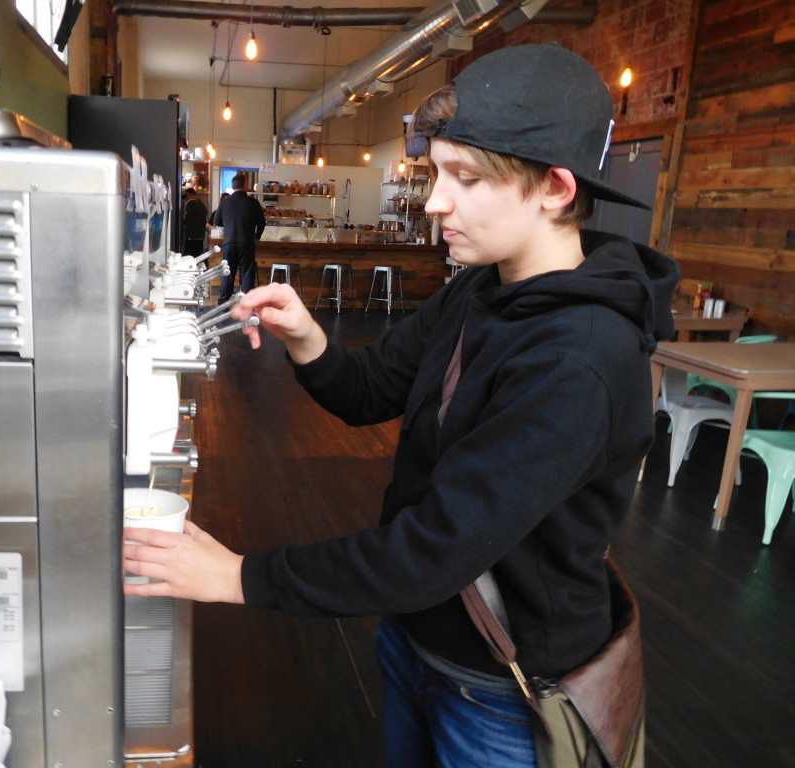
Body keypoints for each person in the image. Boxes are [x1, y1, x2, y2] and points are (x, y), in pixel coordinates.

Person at [124, 43, 679, 768]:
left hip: (502, 691)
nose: (434, 201)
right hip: (415, 640)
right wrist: (307, 336)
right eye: (436, 173)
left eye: (465, 177)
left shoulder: (580, 357)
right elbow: (366, 391)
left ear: (554, 190)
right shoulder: (478, 289)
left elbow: (432, 550)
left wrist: (238, 576)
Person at [212, 172, 266, 303]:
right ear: (245, 184)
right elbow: (262, 222)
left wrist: (229, 223)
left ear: (233, 186)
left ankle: (223, 302)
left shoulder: (225, 203)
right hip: (247, 243)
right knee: (247, 274)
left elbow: (217, 221)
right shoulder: (253, 202)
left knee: (228, 273)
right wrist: (257, 236)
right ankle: (247, 303)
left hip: (229, 243)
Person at [181, 185, 208, 257]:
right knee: (196, 259)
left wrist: (182, 225)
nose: (185, 199)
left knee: (189, 259)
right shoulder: (202, 204)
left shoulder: (191, 203)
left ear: (188, 194)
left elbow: (187, 219)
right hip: (200, 237)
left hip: (191, 238)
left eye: (185, 197)